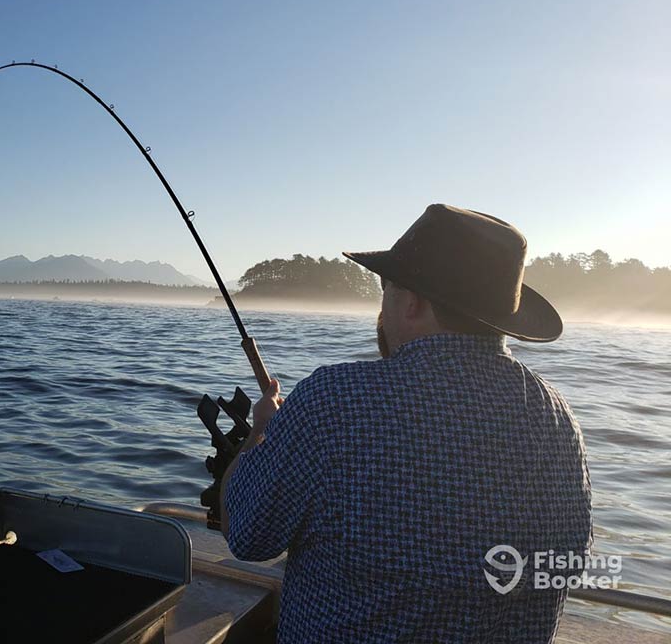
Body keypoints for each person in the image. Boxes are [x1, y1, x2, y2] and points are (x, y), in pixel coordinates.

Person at [221, 204, 592, 643]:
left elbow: (248, 536)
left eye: (387, 290)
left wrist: (259, 433)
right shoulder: (557, 419)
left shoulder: (334, 401)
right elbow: (569, 561)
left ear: (412, 302)